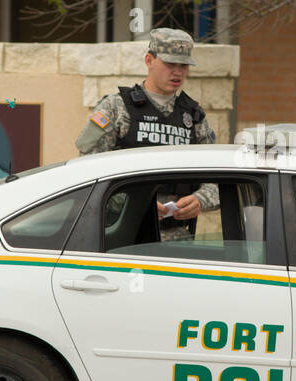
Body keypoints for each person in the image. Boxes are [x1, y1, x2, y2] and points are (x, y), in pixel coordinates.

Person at [75, 27, 219, 232]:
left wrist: (201, 200)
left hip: (177, 238)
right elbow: (87, 171)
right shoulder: (116, 108)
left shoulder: (193, 116)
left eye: (183, 65)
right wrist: (134, 203)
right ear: (149, 60)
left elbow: (217, 177)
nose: (178, 72)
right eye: (170, 64)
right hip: (122, 235)